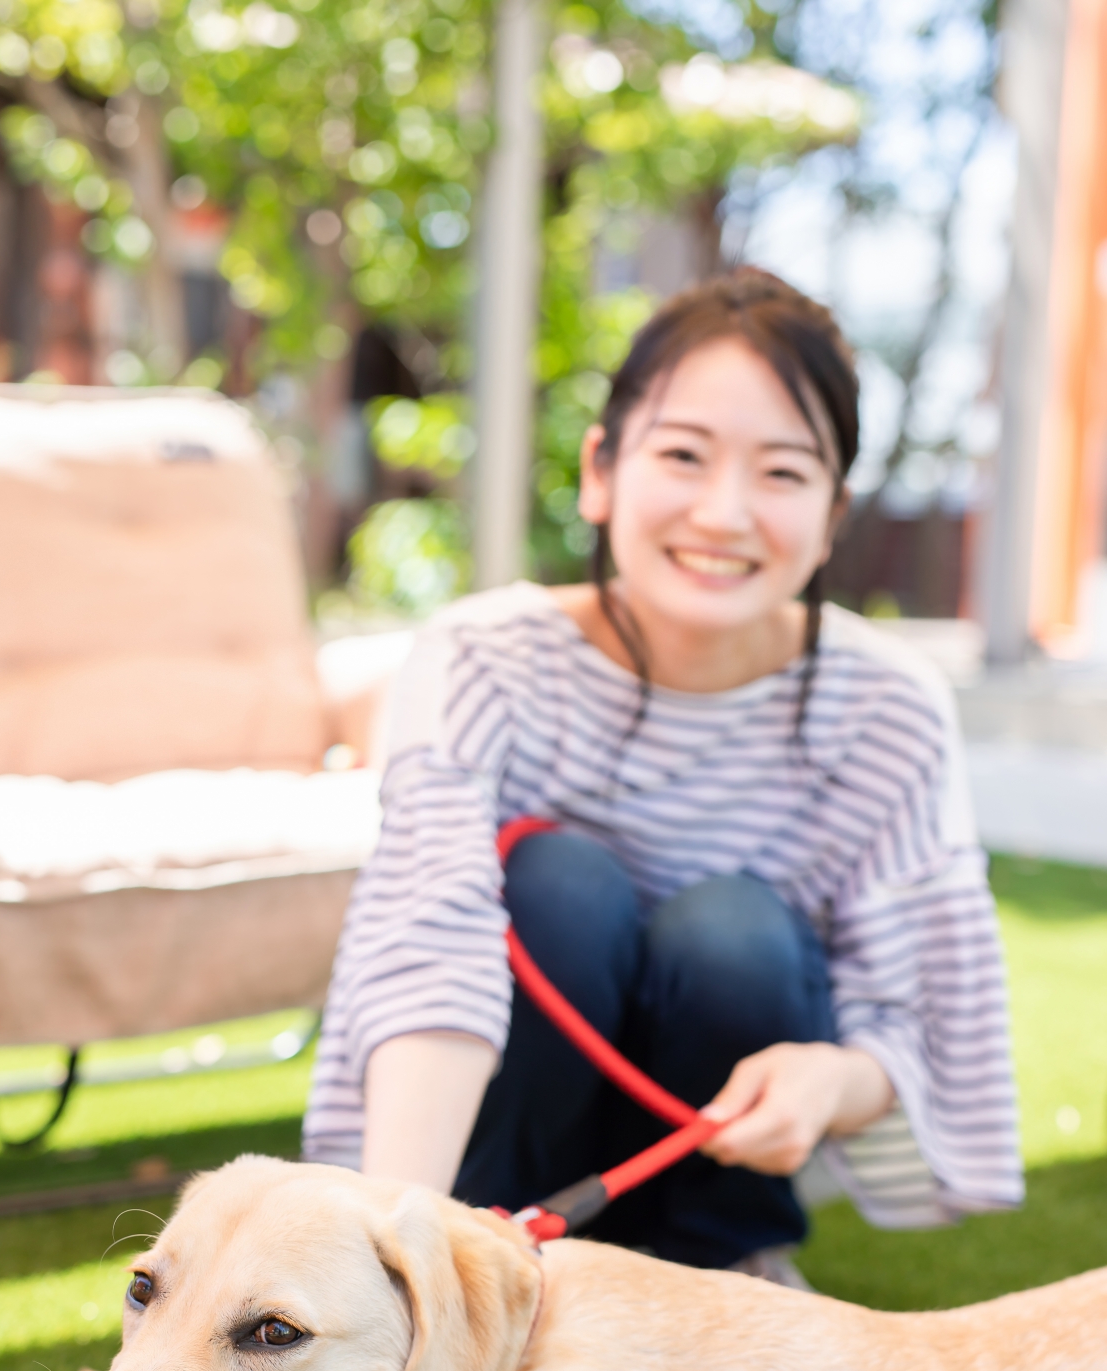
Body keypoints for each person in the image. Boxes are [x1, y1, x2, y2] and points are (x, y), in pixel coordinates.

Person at [304, 269, 1022, 1280]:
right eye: (682, 455)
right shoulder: (482, 659)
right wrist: (385, 1253)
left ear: (830, 515)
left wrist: (829, 1078)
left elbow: (915, 1016)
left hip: (710, 1150)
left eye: (781, 473)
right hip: (493, 1166)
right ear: (600, 470)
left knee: (732, 928)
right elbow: (427, 937)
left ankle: (719, 1267)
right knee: (555, 883)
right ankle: (469, 1266)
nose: (723, 513)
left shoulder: (886, 708)